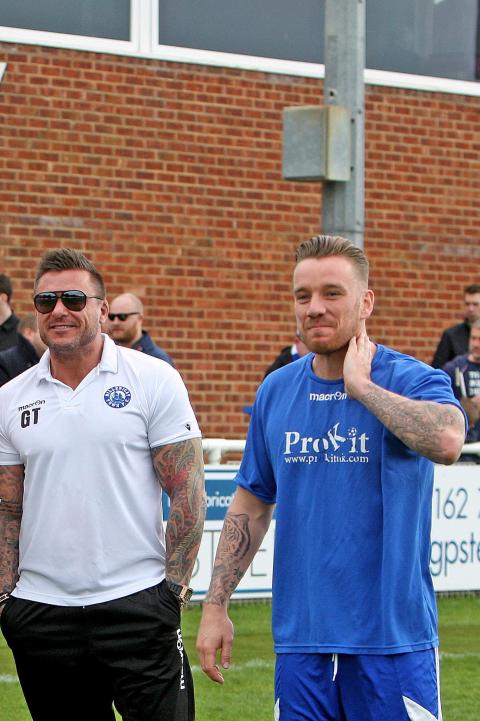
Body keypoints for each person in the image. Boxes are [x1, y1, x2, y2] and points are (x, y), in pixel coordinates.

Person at [196, 235, 465, 720]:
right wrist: (216, 605)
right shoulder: (277, 391)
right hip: (302, 644)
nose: (314, 308)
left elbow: (447, 440)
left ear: (366, 302)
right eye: (303, 296)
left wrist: (361, 389)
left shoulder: (409, 378)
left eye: (332, 294)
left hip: (392, 643)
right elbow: (252, 505)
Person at [0, 249, 205, 721]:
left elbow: (187, 489)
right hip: (42, 614)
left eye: (73, 298)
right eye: (46, 301)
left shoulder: (153, 379)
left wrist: (175, 591)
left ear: (102, 310)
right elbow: (5, 507)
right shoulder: (9, 398)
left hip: (140, 604)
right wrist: (6, 600)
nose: (59, 310)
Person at [104, 292, 174, 366]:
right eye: (111, 316)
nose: (115, 322)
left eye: (123, 316)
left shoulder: (158, 359)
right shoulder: (106, 354)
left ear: (140, 319)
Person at [442, 321, 480, 454]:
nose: (475, 344)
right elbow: (439, 406)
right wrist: (464, 407)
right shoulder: (454, 369)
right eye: (473, 338)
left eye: (479, 339)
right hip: (463, 448)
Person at [0, 314, 46, 392]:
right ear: (28, 333)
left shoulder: (50, 364)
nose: (50, 336)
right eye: (44, 331)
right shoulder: (0, 363)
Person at [431, 283, 480, 368]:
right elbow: (437, 369)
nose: (471, 309)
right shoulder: (451, 335)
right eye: (467, 304)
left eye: (475, 304)